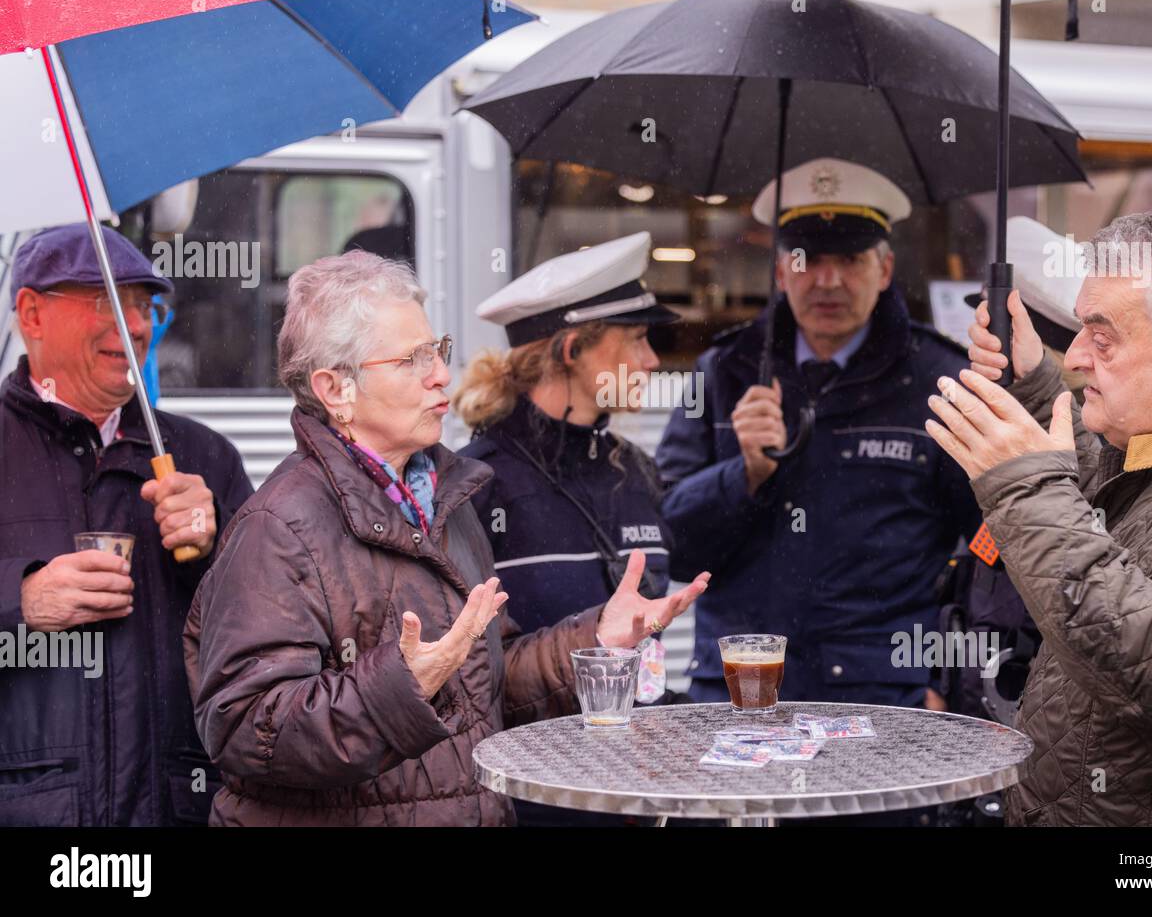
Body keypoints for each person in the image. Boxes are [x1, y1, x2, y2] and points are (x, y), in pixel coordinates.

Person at [183, 250, 708, 826]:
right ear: (336, 390)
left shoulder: (444, 501)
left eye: (438, 351)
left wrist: (595, 640)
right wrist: (401, 689)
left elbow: (491, 680)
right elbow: (245, 731)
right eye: (412, 359)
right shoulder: (278, 528)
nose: (441, 375)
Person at [929, 208, 1152, 825]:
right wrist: (1034, 385)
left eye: (1102, 340)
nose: (1075, 357)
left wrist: (1026, 489)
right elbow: (1129, 486)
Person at [656, 158, 983, 716]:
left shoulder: (942, 379)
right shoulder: (721, 373)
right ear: (781, 273)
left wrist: (950, 681)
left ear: (884, 270)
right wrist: (744, 476)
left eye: (851, 260)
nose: (828, 280)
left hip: (887, 702)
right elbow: (671, 547)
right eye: (809, 261)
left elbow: (986, 548)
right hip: (743, 692)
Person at [0, 224, 253, 826]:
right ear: (32, 315)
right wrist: (21, 599)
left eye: (143, 305)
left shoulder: (204, 455)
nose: (136, 326)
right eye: (105, 302)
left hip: (176, 807)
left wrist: (216, 549)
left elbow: (273, 632)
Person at [456, 232, 681, 826]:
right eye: (636, 339)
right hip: (538, 805)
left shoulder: (637, 470)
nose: (653, 361)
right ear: (574, 349)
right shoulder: (476, 485)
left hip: (641, 798)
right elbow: (474, 680)